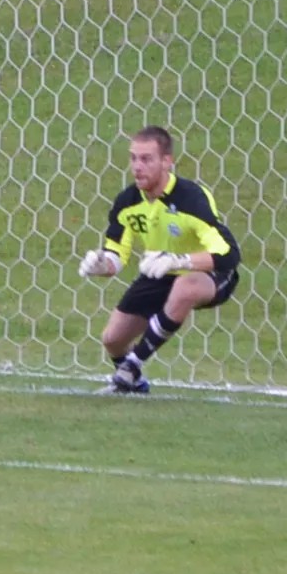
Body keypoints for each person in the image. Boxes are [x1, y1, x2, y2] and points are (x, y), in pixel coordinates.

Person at [78, 125, 242, 395]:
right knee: (112, 339)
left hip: (208, 272)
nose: (137, 167)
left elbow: (229, 254)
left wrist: (180, 260)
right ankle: (134, 384)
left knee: (185, 287)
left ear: (167, 161)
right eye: (133, 158)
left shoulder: (192, 199)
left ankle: (131, 367)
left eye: (146, 159)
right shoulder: (127, 202)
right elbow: (116, 256)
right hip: (160, 272)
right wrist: (101, 265)